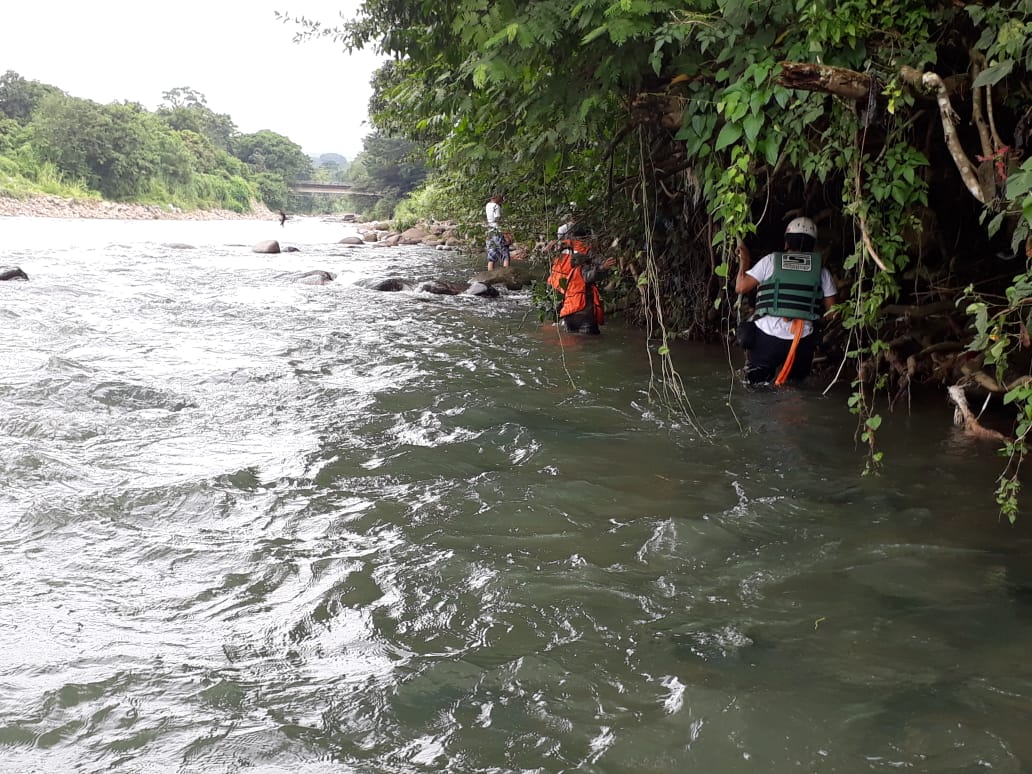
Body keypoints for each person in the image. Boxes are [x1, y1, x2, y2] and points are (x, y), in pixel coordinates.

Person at [734, 216, 837, 384]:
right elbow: (833, 313)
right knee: (794, 391)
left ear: (786, 243)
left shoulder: (770, 261)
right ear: (812, 246)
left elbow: (741, 287)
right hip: (801, 341)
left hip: (767, 337)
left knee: (756, 388)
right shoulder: (822, 272)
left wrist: (744, 260)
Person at [547, 225, 618, 334]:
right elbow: (590, 275)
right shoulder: (583, 261)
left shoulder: (563, 251)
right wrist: (603, 267)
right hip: (582, 313)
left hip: (567, 308)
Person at [485, 193, 511, 270]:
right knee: (505, 255)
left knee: (491, 257)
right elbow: (498, 221)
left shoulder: (488, 205)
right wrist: (506, 235)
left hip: (490, 232)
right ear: (497, 197)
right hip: (497, 232)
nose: (502, 199)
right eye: (501, 197)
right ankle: (506, 274)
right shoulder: (496, 206)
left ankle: (490, 275)